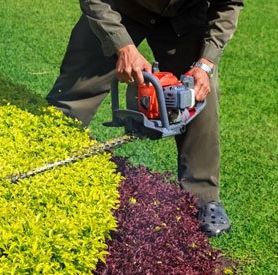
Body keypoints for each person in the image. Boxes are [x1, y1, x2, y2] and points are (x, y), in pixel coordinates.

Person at [46, 0, 243, 237]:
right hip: (119, 7)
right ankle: (46, 159)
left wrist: (206, 62)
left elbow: (228, 4)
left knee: (198, 94)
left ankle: (205, 197)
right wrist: (122, 44)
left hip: (184, 15)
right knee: (73, 93)